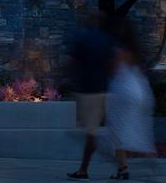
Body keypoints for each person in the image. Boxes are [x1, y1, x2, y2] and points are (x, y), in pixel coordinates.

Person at [66, 11, 116, 180]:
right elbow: (112, 64)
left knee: (90, 131)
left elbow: (73, 61)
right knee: (90, 129)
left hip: (87, 89)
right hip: (103, 87)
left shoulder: (82, 37)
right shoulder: (107, 39)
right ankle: (85, 167)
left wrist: (72, 80)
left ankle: (84, 169)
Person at [104, 22, 155, 181]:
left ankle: (122, 168)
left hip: (123, 91)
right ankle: (151, 165)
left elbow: (113, 70)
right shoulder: (136, 51)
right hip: (140, 89)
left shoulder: (119, 50)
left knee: (117, 130)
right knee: (140, 129)